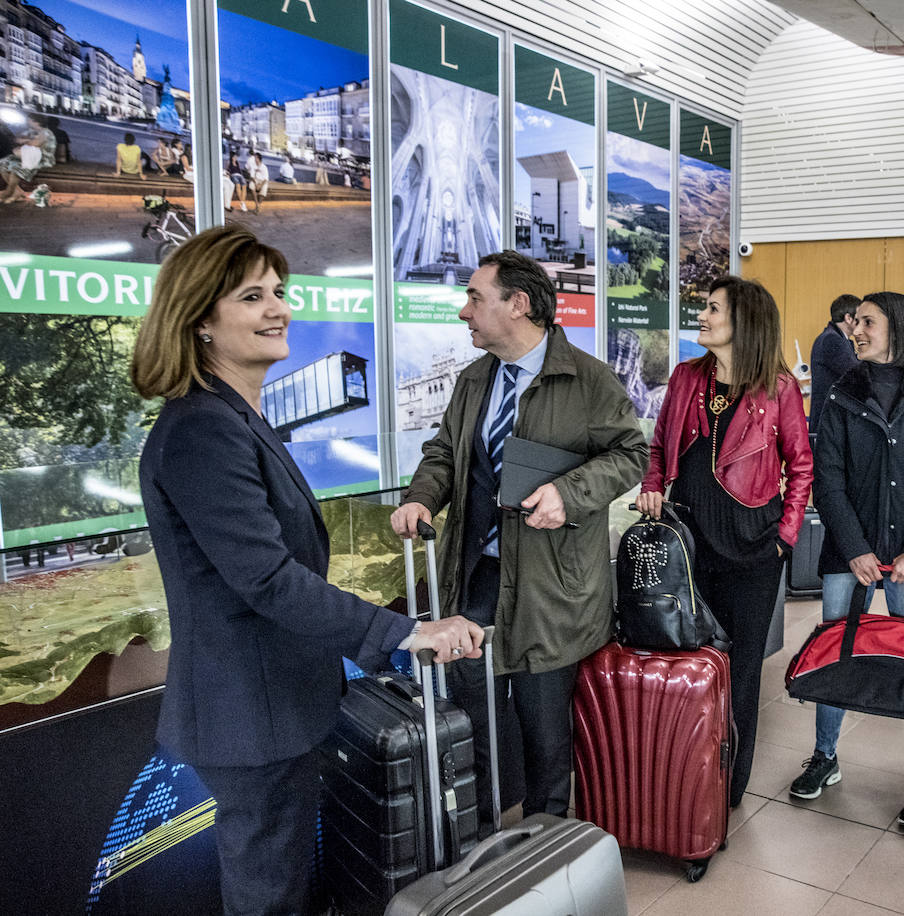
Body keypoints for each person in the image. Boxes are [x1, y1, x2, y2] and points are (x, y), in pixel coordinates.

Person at [131, 225, 484, 914]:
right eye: (253, 296)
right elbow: (267, 578)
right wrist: (403, 633)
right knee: (270, 897)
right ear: (201, 319)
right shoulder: (202, 428)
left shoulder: (237, 417)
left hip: (273, 706)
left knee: (285, 884)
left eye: (280, 292)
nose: (279, 309)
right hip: (247, 714)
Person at [391, 250, 647, 830]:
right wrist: (420, 497)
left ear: (518, 304)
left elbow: (632, 454)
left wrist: (570, 493)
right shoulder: (473, 380)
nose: (464, 312)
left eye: (475, 299)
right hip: (476, 579)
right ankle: (478, 847)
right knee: (472, 724)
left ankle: (544, 852)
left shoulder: (587, 380)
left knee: (545, 737)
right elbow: (444, 454)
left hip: (550, 589)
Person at [637, 275, 814, 808]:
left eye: (714, 308)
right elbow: (659, 447)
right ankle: (684, 772)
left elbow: (802, 468)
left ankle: (728, 785)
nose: (704, 315)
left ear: (745, 322)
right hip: (687, 546)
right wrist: (651, 486)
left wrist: (784, 538)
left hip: (753, 551)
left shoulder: (778, 389)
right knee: (688, 660)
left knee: (739, 673)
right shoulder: (686, 377)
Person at [789, 291, 904, 831]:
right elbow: (828, 479)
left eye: (867, 322)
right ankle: (825, 757)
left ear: (897, 329)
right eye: (855, 321)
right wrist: (857, 547)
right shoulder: (842, 392)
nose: (855, 329)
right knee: (835, 655)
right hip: (850, 550)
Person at [809, 293, 860, 425]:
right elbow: (856, 375)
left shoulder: (834, 337)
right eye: (859, 319)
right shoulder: (833, 340)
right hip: (829, 419)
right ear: (848, 318)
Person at [0, 114, 56, 204]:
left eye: (29, 120)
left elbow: (35, 144)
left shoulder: (46, 132)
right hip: (29, 156)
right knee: (3, 164)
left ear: (36, 122)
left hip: (41, 159)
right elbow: (17, 139)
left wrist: (25, 141)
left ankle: (9, 192)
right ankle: (17, 192)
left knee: (16, 168)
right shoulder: (34, 131)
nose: (28, 122)